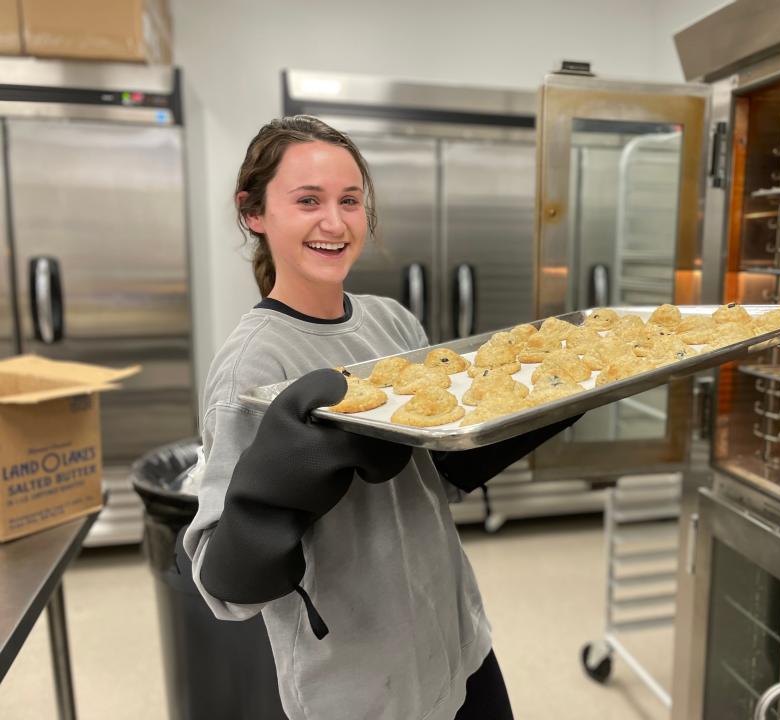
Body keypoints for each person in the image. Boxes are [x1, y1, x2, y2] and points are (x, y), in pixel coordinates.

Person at [182, 115, 578, 720]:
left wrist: (552, 402)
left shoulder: (390, 322)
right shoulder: (250, 367)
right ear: (254, 212)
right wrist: (283, 481)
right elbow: (221, 584)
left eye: (350, 201)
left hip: (458, 644)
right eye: (308, 201)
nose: (335, 223)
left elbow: (435, 478)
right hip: (361, 686)